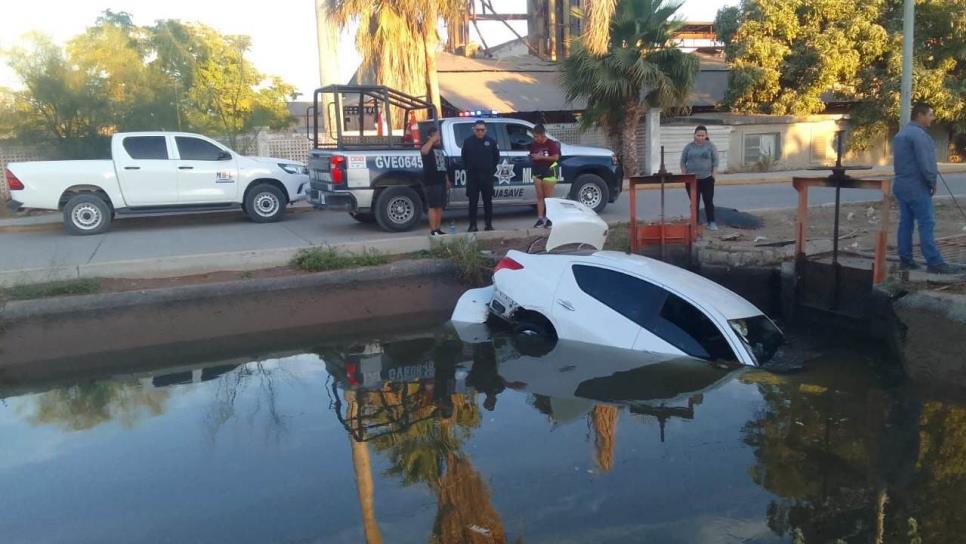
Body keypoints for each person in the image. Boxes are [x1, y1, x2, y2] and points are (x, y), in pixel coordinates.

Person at [893, 103, 956, 274]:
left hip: (901, 184)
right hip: (916, 185)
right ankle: (934, 262)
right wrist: (931, 181)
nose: (932, 118)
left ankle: (905, 260)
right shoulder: (919, 135)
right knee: (926, 223)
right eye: (930, 114)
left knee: (905, 223)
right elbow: (925, 163)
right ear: (920, 115)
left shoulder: (901, 134)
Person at [460, 120, 501, 232]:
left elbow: (496, 158)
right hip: (473, 177)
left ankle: (488, 225)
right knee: (473, 202)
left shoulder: (491, 142)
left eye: (482, 130)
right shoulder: (468, 142)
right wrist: (468, 169)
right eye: (477, 130)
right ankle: (473, 225)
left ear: (485, 130)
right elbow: (463, 157)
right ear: (474, 129)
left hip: (487, 176)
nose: (480, 132)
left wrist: (490, 170)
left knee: (488, 201)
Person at [680, 125, 720, 231]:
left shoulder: (710, 146)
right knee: (694, 202)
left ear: (706, 135)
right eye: (698, 135)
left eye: (703, 135)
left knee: (708, 201)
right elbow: (682, 162)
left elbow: (715, 162)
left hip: (707, 179)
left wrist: (713, 176)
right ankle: (695, 223)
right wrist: (685, 176)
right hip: (691, 180)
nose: (701, 137)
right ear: (694, 135)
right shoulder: (689, 147)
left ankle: (711, 222)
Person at [530, 124, 561, 228]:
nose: (535, 139)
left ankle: (549, 219)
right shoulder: (534, 144)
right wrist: (533, 157)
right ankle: (540, 219)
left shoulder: (550, 143)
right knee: (539, 196)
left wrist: (541, 157)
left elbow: (556, 157)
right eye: (534, 136)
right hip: (537, 172)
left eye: (536, 136)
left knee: (547, 197)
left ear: (543, 135)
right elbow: (533, 154)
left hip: (549, 172)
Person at [420, 127, 450, 236]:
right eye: (436, 136)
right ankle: (433, 230)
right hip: (432, 181)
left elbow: (442, 165)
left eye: (439, 136)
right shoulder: (427, 146)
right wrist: (432, 140)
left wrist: (446, 180)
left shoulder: (439, 148)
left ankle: (438, 228)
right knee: (433, 206)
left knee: (440, 206)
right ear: (430, 136)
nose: (439, 138)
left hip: (441, 180)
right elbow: (424, 151)